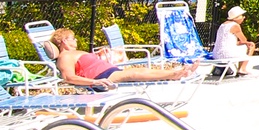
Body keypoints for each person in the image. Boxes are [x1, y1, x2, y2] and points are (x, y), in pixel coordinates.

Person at [48, 28, 192, 90]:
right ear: (64, 42)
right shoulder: (65, 57)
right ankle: (173, 74)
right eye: (73, 38)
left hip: (107, 71)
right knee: (133, 74)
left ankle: (175, 73)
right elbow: (69, 77)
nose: (76, 40)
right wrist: (94, 82)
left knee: (138, 70)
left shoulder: (74, 53)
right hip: (101, 76)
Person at [212, 6, 258, 75]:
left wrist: (238, 43)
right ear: (237, 17)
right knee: (251, 45)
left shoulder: (223, 25)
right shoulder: (235, 25)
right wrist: (246, 42)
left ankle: (238, 69)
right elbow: (244, 40)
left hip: (216, 54)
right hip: (227, 54)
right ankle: (242, 68)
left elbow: (226, 41)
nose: (243, 17)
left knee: (244, 45)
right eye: (242, 16)